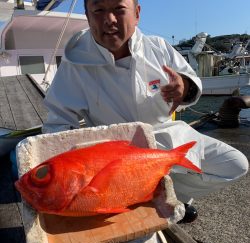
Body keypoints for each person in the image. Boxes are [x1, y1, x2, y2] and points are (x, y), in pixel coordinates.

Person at [42, 0, 248, 225]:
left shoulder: (158, 47)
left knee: (235, 164)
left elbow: (192, 81)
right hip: (114, 155)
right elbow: (58, 119)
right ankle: (139, 196)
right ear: (88, 16)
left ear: (137, 13)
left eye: (119, 9)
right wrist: (60, 175)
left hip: (167, 135)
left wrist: (184, 87)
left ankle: (166, 195)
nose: (109, 19)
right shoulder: (75, 61)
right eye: (98, 10)